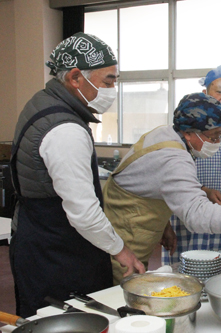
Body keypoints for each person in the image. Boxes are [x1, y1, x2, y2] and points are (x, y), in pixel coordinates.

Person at [9, 32, 145, 317]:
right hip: (57, 251)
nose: (112, 89)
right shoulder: (65, 129)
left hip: (39, 238)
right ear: (74, 78)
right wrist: (121, 251)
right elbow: (83, 213)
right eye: (108, 80)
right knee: (65, 318)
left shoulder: (43, 102)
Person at [104, 92, 221, 284]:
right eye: (213, 137)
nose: (217, 143)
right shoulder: (175, 158)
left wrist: (197, 194)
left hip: (135, 222)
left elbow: (151, 181)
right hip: (125, 232)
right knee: (121, 289)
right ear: (188, 133)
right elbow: (198, 215)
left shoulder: (165, 133)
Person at [162, 65, 221, 266]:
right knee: (184, 273)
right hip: (185, 221)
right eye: (219, 91)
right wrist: (163, 223)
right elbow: (164, 184)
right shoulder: (182, 133)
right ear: (205, 94)